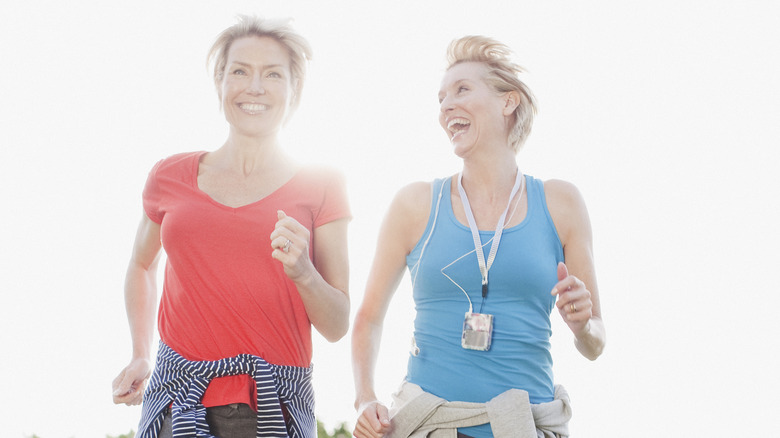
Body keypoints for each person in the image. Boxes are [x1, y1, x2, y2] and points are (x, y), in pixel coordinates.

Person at [351, 36, 605, 438]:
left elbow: (595, 342)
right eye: (441, 98)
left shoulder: (561, 202)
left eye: (462, 90)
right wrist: (365, 398)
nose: (446, 106)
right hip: (428, 425)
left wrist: (582, 326)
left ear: (509, 102)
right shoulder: (415, 204)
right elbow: (368, 318)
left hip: (525, 426)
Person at [111, 15, 351, 438]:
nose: (254, 87)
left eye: (272, 74)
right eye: (240, 71)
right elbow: (141, 265)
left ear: (294, 92)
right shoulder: (169, 176)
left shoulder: (323, 184)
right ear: (220, 82)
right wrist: (139, 352)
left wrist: (304, 273)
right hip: (178, 400)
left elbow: (337, 324)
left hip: (271, 408)